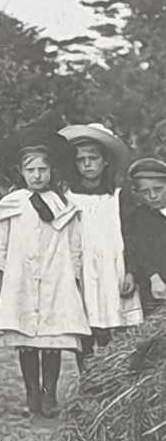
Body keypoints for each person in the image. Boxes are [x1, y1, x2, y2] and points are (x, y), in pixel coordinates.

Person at [0, 128, 90, 419]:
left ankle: (50, 393)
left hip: (55, 276)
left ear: (52, 171)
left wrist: (74, 275)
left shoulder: (63, 205)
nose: (37, 176)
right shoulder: (12, 204)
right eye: (30, 170)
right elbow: (1, 242)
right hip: (20, 277)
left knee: (52, 339)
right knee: (27, 340)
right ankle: (32, 393)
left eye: (43, 169)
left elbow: (74, 242)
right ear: (21, 172)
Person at [60, 123, 142, 366]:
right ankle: (88, 382)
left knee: (113, 324)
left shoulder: (118, 194)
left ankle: (110, 379)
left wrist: (131, 270)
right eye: (81, 159)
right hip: (83, 269)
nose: (87, 164)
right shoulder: (68, 196)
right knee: (85, 326)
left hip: (113, 267)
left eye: (93, 158)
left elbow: (130, 235)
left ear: (105, 161)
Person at [125, 158, 166, 315]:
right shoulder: (140, 217)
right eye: (146, 192)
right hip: (157, 287)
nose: (153, 196)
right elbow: (140, 250)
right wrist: (153, 277)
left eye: (158, 189)